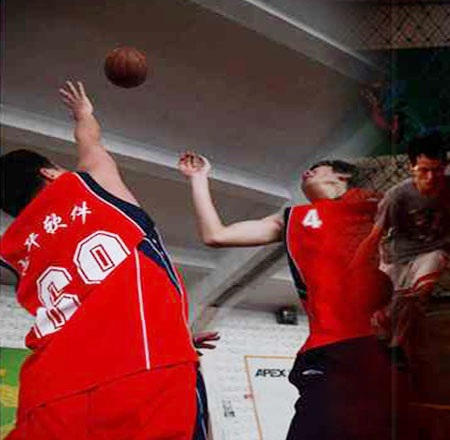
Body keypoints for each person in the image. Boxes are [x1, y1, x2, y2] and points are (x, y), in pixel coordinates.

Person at [0, 81, 204, 439]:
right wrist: (84, 114)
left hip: (47, 395)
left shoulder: (15, 248)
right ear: (49, 172)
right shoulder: (86, 187)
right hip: (143, 368)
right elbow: (90, 142)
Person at [179, 153, 404, 439]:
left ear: (343, 175)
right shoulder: (293, 218)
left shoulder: (375, 204)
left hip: (383, 344)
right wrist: (199, 178)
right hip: (328, 352)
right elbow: (216, 235)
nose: (307, 172)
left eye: (317, 167)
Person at [371, 132, 450, 362]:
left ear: (445, 167)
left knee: (419, 294)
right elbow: (377, 234)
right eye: (424, 170)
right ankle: (385, 331)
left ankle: (397, 346)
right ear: (411, 167)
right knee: (390, 310)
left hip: (434, 249)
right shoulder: (396, 196)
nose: (431, 177)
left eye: (437, 170)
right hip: (396, 254)